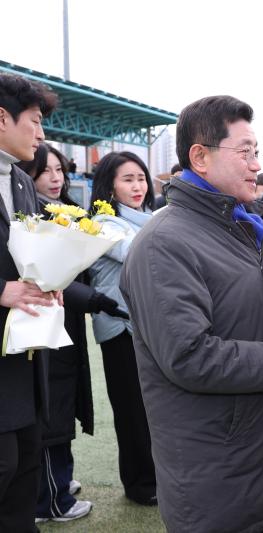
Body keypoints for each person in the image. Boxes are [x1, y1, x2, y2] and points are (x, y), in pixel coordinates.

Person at [119, 95, 263, 533]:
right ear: (200, 157)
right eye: (245, 152)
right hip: (213, 470)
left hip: (253, 454)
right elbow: (189, 356)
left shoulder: (242, 227)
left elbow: (249, 318)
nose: (256, 165)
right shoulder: (164, 243)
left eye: (257, 152)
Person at [18, 143, 124, 523]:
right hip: (45, 330)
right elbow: (47, 279)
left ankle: (58, 481)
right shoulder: (31, 220)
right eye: (45, 170)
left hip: (66, 328)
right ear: (28, 175)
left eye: (59, 170)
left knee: (63, 408)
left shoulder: (66, 215)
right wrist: (95, 299)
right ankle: (52, 499)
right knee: (52, 414)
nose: (56, 178)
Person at [0, 73, 59, 532]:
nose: (41, 135)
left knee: (24, 466)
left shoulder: (21, 180)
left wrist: (52, 280)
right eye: (35, 121)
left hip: (23, 356)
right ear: (2, 118)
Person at [88, 151, 158, 506]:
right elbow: (138, 254)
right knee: (131, 410)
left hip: (149, 330)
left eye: (141, 178)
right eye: (127, 179)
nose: (137, 186)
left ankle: (158, 477)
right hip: (120, 329)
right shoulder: (104, 222)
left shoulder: (152, 218)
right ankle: (140, 483)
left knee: (154, 409)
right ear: (110, 186)